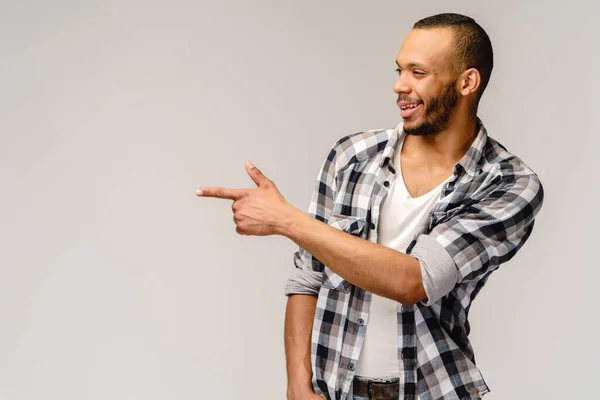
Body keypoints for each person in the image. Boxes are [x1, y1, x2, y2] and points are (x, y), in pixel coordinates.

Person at [196, 12, 544, 400]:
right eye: (399, 70)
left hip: (433, 391)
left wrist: (286, 219)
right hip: (335, 391)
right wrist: (298, 384)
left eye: (418, 72)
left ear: (467, 82)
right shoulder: (351, 157)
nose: (399, 86)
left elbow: (415, 280)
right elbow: (308, 278)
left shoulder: (508, 183)